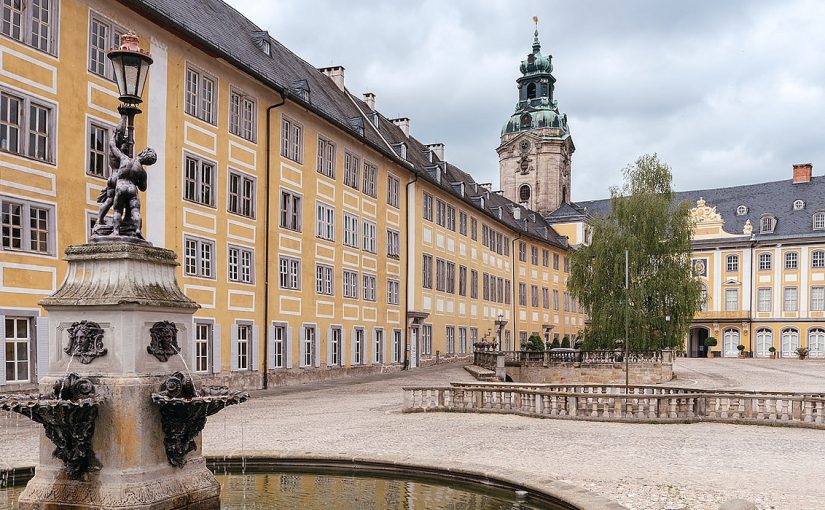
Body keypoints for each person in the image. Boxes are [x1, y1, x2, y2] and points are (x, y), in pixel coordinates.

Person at [107, 121, 156, 237]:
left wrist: (113, 137)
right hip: (132, 189)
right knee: (135, 210)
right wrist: (136, 180)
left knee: (118, 210)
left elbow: (113, 147)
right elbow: (143, 188)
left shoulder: (124, 158)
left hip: (120, 186)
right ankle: (137, 229)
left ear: (141, 153)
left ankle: (115, 231)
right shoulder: (142, 171)